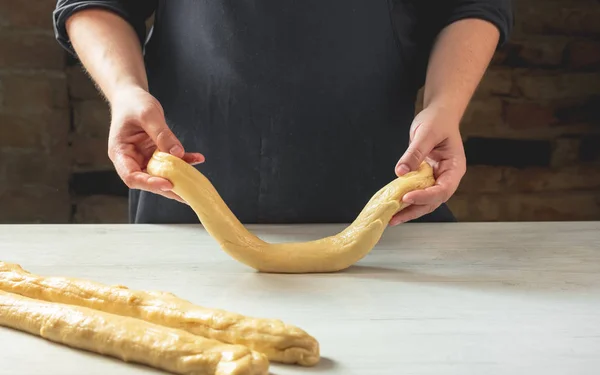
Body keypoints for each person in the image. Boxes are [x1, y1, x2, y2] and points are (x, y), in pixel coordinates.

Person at [53, 1, 512, 225]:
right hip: (187, 201)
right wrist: (126, 91)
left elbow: (467, 5)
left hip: (387, 205)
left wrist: (444, 106)